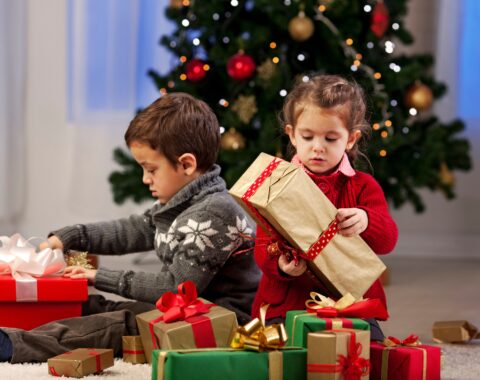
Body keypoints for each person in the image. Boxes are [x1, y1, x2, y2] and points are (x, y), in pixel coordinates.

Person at [0, 92, 260, 363]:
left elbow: (173, 288)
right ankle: (26, 322)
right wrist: (72, 236)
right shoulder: (180, 205)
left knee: (121, 324)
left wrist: (96, 276)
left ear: (186, 164)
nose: (145, 179)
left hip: (221, 325)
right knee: (93, 307)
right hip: (188, 312)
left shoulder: (213, 213)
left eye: (151, 169)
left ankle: (11, 345)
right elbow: (130, 231)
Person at [251, 74, 398, 340]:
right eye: (308, 137)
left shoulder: (362, 186)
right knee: (279, 360)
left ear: (350, 139)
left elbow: (388, 240)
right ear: (292, 135)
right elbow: (262, 246)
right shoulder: (275, 184)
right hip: (287, 303)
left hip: (350, 303)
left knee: (367, 356)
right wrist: (281, 266)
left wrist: (366, 220)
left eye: (330, 139)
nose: (317, 148)